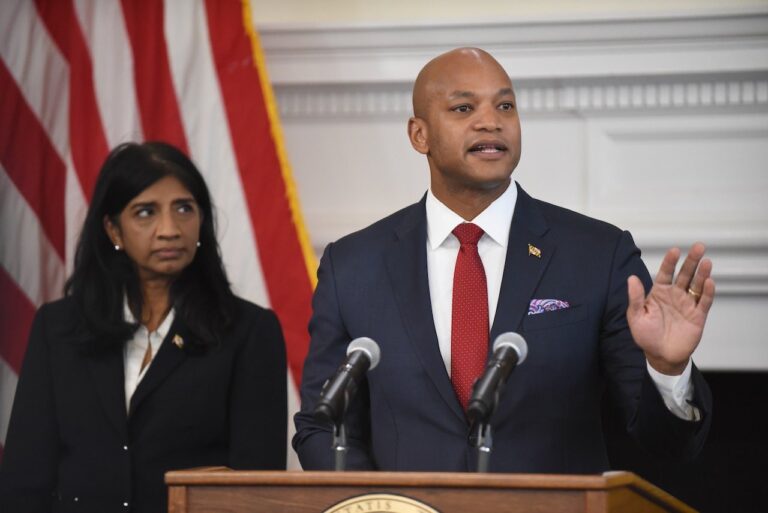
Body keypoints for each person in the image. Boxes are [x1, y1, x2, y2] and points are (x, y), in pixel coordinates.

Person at [293, 48, 714, 473]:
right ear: (419, 135)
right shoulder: (353, 266)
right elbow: (321, 424)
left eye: (505, 106)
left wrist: (667, 369)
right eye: (463, 107)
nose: (490, 121)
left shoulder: (598, 254)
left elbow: (666, 447)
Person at [0, 142, 287, 512]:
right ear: (113, 230)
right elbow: (26, 477)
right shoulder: (58, 328)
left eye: (184, 208)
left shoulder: (249, 331)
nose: (169, 229)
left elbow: (257, 491)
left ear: (202, 220)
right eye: (145, 212)